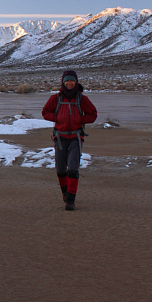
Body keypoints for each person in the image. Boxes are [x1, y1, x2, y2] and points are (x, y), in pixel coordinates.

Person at [41, 70, 97, 210]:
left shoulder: (81, 99)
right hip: (60, 137)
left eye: (72, 81)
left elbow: (93, 114)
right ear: (63, 82)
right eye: (67, 81)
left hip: (76, 137)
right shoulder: (56, 98)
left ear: (76, 82)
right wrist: (57, 118)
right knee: (60, 169)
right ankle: (65, 192)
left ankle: (70, 200)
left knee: (73, 167)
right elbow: (45, 112)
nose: (70, 83)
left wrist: (80, 119)